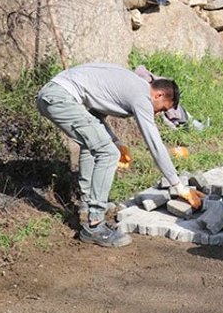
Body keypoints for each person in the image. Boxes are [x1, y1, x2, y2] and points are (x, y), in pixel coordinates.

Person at [37, 63, 202, 247]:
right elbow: (155, 144)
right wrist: (178, 186)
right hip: (59, 98)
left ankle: (88, 206)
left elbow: (95, 115)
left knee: (94, 146)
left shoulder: (131, 85)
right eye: (162, 109)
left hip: (53, 94)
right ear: (159, 95)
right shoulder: (142, 97)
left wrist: (116, 142)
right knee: (107, 154)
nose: (158, 113)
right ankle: (95, 226)